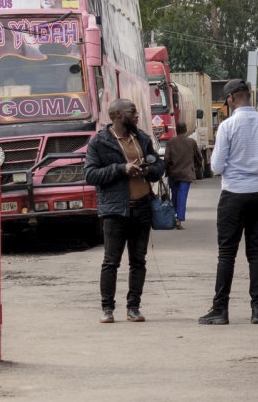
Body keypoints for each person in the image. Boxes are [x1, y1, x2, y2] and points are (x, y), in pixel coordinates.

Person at [198, 79, 258, 326]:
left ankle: (220, 309)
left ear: (231, 98)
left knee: (226, 255)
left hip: (233, 194)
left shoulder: (227, 126)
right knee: (256, 253)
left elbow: (216, 167)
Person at [84, 99, 165, 324]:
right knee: (111, 261)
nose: (137, 115)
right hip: (115, 211)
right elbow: (90, 174)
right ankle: (107, 308)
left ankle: (133, 308)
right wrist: (121, 169)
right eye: (132, 111)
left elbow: (159, 167)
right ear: (117, 115)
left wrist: (147, 170)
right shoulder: (99, 142)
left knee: (138, 260)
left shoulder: (142, 139)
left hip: (142, 208)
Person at [164, 121, 203, 230]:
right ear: (185, 130)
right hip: (186, 174)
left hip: (173, 174)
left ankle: (174, 216)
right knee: (182, 196)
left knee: (175, 196)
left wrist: (167, 170)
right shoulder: (192, 142)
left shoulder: (170, 143)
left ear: (176, 130)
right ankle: (179, 219)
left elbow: (166, 159)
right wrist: (196, 167)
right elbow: (198, 157)